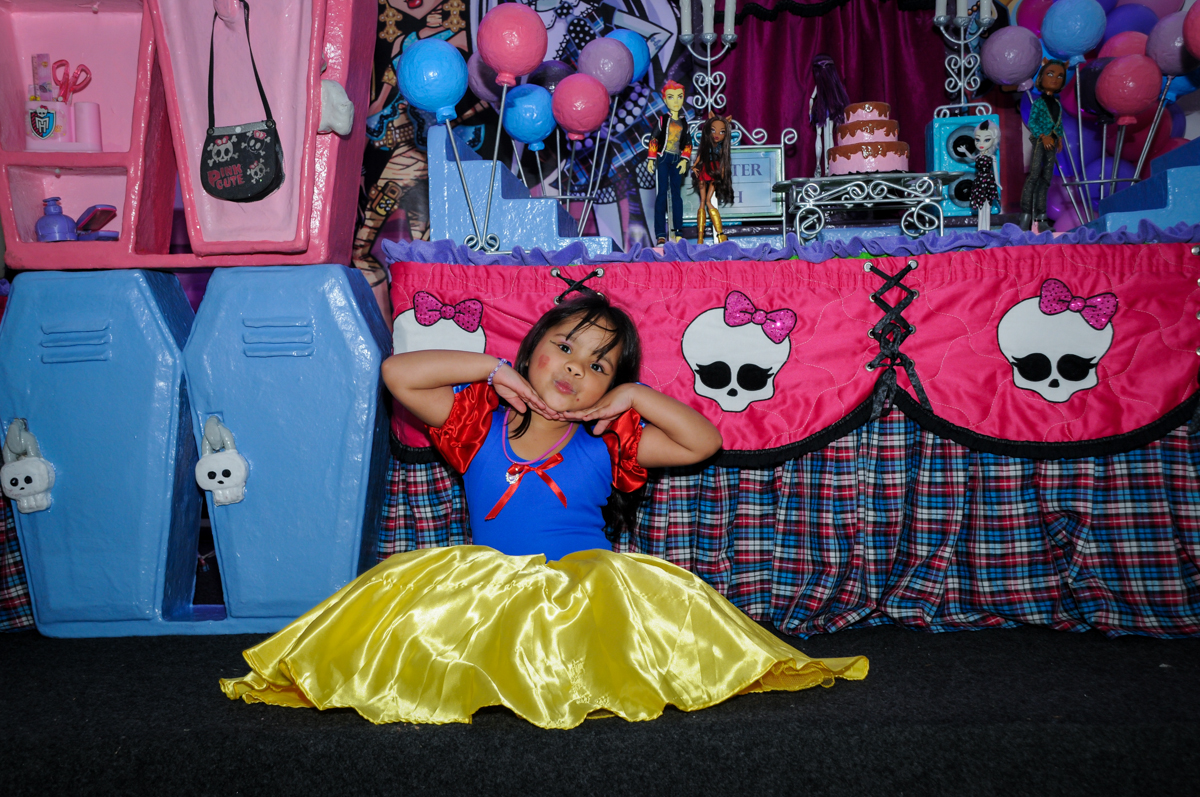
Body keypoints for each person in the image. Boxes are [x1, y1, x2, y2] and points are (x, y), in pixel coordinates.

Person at [220, 292, 867, 729]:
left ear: (608, 385)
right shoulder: (477, 423)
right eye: (564, 347)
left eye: (598, 365)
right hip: (490, 589)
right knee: (423, 621)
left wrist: (636, 396)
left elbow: (706, 440)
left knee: (593, 644)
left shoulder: (609, 442)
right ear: (532, 350)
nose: (575, 367)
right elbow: (398, 373)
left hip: (586, 591)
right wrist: (490, 368)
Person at [1020, 60, 1066, 232]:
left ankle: (1041, 218)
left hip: (1052, 144)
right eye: (1050, 74)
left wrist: (1058, 137)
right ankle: (1025, 216)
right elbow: (1032, 122)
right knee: (1033, 177)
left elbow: (1058, 123)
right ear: (1041, 77)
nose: (1055, 79)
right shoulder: (1039, 103)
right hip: (1041, 142)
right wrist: (1043, 136)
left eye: (1060, 76)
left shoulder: (1057, 104)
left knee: (1046, 180)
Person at [646, 81, 692, 245]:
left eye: (679, 97)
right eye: (672, 97)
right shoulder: (662, 120)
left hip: (677, 159)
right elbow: (654, 139)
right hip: (664, 157)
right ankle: (660, 234)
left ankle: (678, 232)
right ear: (665, 100)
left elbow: (688, 143)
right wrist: (652, 158)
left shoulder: (684, 122)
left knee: (676, 196)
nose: (676, 101)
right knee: (661, 196)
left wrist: (685, 159)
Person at [691, 115, 734, 245]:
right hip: (704, 171)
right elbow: (699, 158)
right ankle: (700, 238)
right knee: (703, 201)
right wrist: (694, 167)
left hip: (714, 172)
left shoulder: (720, 149)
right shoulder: (706, 147)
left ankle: (720, 233)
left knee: (708, 201)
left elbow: (723, 162)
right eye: (713, 130)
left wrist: (721, 172)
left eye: (722, 132)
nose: (717, 134)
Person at [808, 55, 849, 178]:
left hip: (823, 110)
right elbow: (811, 99)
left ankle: (824, 165)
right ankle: (823, 165)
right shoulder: (835, 89)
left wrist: (810, 111)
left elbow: (811, 99)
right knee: (827, 135)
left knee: (824, 135)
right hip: (825, 110)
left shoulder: (824, 88)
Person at [970, 120, 1001, 232]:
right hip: (979, 181)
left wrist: (997, 183)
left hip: (989, 181)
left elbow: (995, 171)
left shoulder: (991, 157)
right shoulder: (978, 156)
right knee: (980, 206)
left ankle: (986, 229)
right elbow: (972, 158)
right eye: (977, 139)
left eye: (986, 139)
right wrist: (965, 151)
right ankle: (980, 229)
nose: (981, 143)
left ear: (994, 140)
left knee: (988, 205)